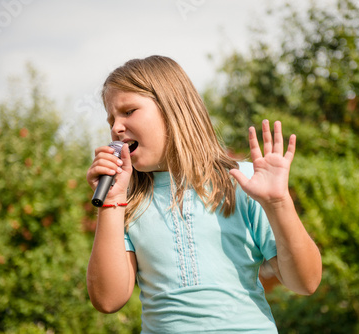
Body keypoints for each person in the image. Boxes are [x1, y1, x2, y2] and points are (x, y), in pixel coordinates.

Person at [86, 55, 322, 333]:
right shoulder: (126, 200)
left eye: (128, 111)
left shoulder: (244, 181)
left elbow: (305, 282)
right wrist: (111, 203)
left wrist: (279, 203)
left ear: (171, 109)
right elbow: (108, 300)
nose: (116, 127)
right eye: (111, 118)